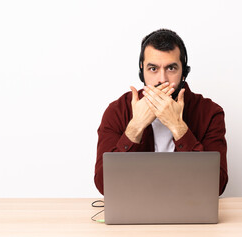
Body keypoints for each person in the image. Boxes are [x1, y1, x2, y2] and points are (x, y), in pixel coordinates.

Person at [94, 29, 228, 195]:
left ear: (184, 72)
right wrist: (135, 127)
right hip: (135, 209)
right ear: (141, 71)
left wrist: (178, 127)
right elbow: (104, 185)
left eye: (171, 68)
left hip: (189, 207)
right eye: (153, 69)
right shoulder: (117, 111)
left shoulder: (210, 112)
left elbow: (216, 186)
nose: (162, 79)